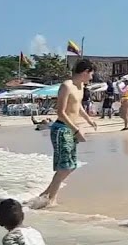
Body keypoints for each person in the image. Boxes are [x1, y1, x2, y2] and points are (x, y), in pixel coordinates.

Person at [31, 59, 98, 209]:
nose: (92, 77)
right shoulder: (66, 86)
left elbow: (77, 105)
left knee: (71, 165)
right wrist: (76, 130)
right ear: (85, 72)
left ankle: (45, 196)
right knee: (65, 167)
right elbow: (60, 112)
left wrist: (88, 119)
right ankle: (50, 199)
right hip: (61, 129)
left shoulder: (80, 86)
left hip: (71, 129)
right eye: (91, 74)